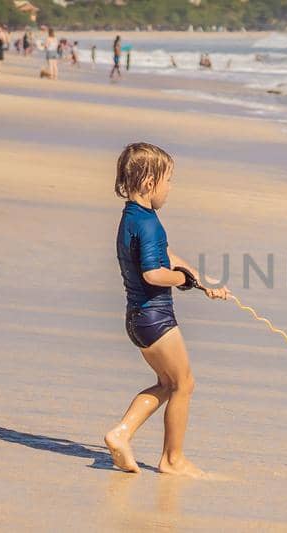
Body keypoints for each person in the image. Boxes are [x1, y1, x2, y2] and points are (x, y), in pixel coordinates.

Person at [104, 142, 230, 477]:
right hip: (156, 318)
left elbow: (165, 253)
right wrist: (180, 280)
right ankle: (173, 460)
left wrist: (200, 280)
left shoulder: (135, 217)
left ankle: (121, 433)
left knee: (166, 383)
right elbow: (152, 273)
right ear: (149, 183)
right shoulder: (148, 224)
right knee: (183, 385)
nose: (170, 189)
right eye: (169, 181)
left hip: (138, 319)